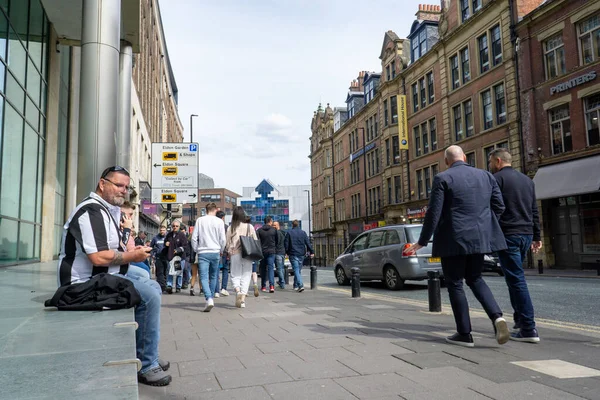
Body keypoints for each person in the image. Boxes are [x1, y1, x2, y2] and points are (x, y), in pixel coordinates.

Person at [56, 165, 171, 386]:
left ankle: (147, 351)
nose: (123, 190)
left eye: (126, 187)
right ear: (102, 184)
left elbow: (115, 249)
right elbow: (98, 257)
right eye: (118, 185)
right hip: (81, 284)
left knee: (152, 284)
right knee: (149, 294)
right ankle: (147, 365)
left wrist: (132, 253)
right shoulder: (91, 211)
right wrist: (132, 256)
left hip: (101, 275)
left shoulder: (107, 210)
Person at [406, 145, 510, 348]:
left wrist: (422, 241)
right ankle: (497, 317)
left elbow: (433, 213)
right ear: (464, 156)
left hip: (453, 240)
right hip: (479, 239)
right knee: (476, 278)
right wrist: (483, 226)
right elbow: (500, 206)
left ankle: (464, 333)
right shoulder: (486, 176)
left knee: (455, 283)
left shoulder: (443, 178)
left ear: (447, 161)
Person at [489, 148, 542, 343]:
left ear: (497, 161)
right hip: (526, 235)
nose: (490, 166)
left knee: (517, 279)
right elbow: (534, 209)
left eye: (490, 162)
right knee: (513, 279)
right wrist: (537, 236)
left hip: (508, 235)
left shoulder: (496, 180)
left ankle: (529, 328)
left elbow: (493, 208)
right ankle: (520, 321)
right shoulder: (527, 180)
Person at [191, 202, 226, 312]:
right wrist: (221, 250)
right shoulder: (219, 221)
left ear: (205, 210)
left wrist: (197, 249)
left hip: (203, 252)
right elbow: (223, 239)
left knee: (203, 277)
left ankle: (209, 298)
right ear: (215, 210)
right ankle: (210, 298)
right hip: (215, 251)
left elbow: (194, 238)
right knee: (213, 276)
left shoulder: (200, 220)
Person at [226, 206, 257, 308]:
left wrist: (229, 251)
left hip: (235, 253)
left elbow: (227, 242)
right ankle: (242, 299)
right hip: (248, 253)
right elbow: (255, 240)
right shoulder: (249, 227)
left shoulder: (231, 227)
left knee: (235, 274)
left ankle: (238, 291)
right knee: (246, 275)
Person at [284, 220, 314, 292]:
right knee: (298, 270)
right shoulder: (303, 233)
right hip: (301, 254)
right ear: (298, 225)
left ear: (292, 225)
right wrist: (312, 252)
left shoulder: (289, 233)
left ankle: (300, 285)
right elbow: (307, 243)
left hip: (293, 253)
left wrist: (286, 252)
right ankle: (295, 285)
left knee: (296, 270)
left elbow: (286, 244)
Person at [164, 220, 188, 294]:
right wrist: (166, 243)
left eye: (176, 226)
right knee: (170, 271)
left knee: (178, 272)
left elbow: (185, 246)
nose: (175, 227)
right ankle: (169, 285)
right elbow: (165, 242)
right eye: (173, 226)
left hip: (179, 257)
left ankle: (178, 286)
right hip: (171, 256)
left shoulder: (182, 235)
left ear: (179, 227)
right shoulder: (169, 235)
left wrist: (178, 250)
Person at [257, 216, 278, 293]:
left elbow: (257, 241)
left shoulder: (259, 231)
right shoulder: (274, 230)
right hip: (271, 251)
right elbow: (277, 240)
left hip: (262, 251)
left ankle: (263, 286)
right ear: (270, 221)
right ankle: (271, 286)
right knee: (270, 268)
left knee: (263, 269)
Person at [214, 210, 230, 297]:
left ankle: (216, 291)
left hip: (215, 250)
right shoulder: (226, 227)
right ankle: (224, 288)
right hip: (224, 252)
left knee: (215, 271)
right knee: (225, 270)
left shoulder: (213, 226)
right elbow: (227, 241)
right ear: (223, 218)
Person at [150, 226, 168, 293]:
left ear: (165, 230)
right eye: (161, 230)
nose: (162, 231)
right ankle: (161, 287)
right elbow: (151, 247)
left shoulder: (168, 237)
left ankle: (165, 286)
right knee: (159, 273)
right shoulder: (155, 238)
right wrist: (152, 255)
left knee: (165, 272)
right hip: (158, 258)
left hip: (166, 258)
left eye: (163, 230)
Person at [245, 216, 260, 297]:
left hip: (244, 252)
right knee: (254, 271)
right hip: (252, 251)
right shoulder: (251, 228)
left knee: (246, 272)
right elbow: (255, 239)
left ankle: (245, 290)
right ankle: (255, 283)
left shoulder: (241, 227)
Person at [273, 221, 287, 289]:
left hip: (278, 252)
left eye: (274, 225)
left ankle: (282, 282)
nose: (273, 227)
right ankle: (281, 281)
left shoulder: (276, 233)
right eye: (273, 225)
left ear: (278, 225)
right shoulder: (283, 232)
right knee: (281, 268)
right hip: (282, 252)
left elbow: (276, 243)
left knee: (279, 268)